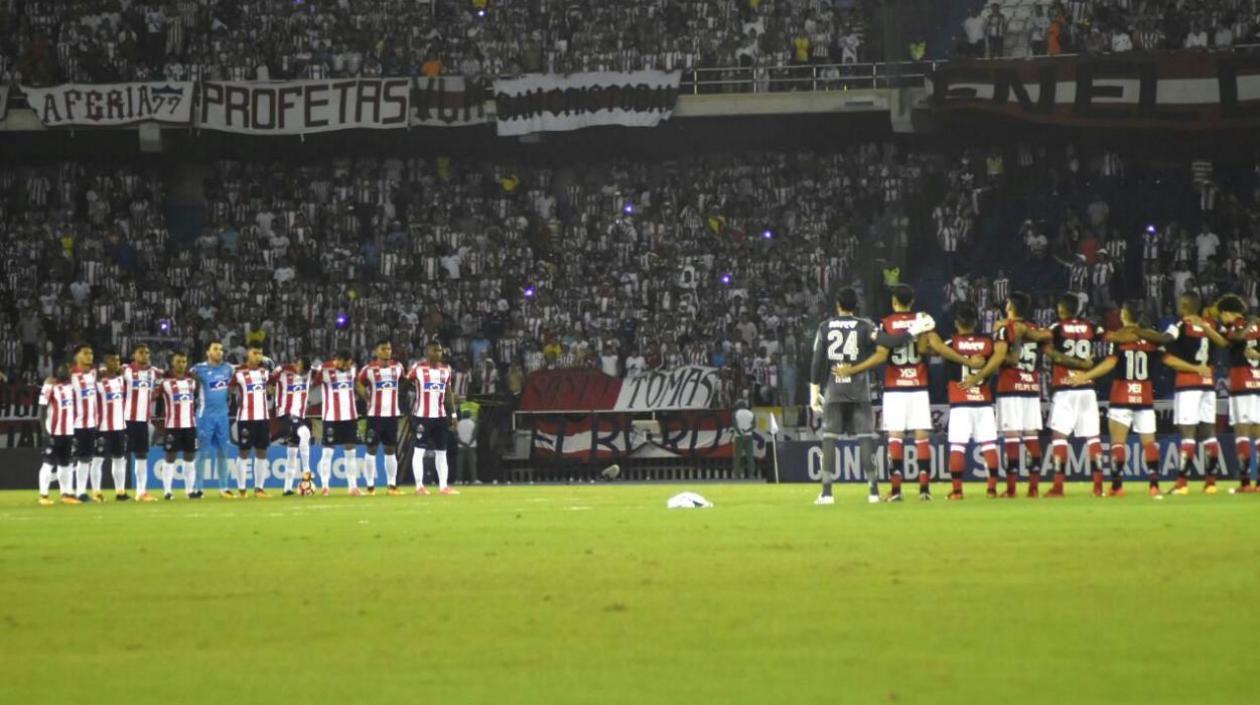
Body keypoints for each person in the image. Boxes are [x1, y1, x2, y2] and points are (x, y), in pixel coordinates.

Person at [810, 287, 923, 504]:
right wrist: (911, 333)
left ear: (837, 305)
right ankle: (872, 491)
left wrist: (814, 392)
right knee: (864, 439)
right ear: (856, 306)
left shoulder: (824, 327)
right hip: (859, 388)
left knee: (829, 438)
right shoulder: (865, 325)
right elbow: (892, 343)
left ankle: (826, 493)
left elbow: (817, 361)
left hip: (834, 388)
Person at [1067, 300, 1187, 497]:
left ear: (1125, 314)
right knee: (1149, 442)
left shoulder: (1120, 339)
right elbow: (1169, 361)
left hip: (1121, 395)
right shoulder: (1151, 339)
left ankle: (1116, 486)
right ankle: (1154, 485)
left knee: (1118, 444)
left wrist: (1084, 376)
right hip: (1144, 396)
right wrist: (1194, 368)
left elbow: (1109, 364)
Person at [921, 303, 1000, 499]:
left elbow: (934, 346)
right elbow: (997, 362)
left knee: (957, 446)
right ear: (976, 322)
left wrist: (928, 328)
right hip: (983, 400)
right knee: (989, 445)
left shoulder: (952, 343)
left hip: (960, 401)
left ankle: (957, 491)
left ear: (957, 323)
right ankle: (991, 490)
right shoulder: (989, 343)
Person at [1161, 292, 1229, 494]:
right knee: (1209, 432)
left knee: (1187, 433)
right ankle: (1211, 483)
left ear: (1184, 306)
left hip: (1188, 384)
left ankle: (1182, 483)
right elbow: (1224, 342)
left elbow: (1165, 344)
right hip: (1208, 384)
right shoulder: (1212, 324)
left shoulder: (1180, 325)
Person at [1042, 294, 1106, 497]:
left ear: (1062, 309)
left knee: (1060, 437)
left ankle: (1058, 486)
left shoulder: (1056, 328)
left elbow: (1050, 350)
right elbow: (1106, 338)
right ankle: (1098, 486)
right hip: (1087, 387)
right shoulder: (1092, 327)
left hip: (1065, 388)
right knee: (1093, 438)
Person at [879, 284, 935, 501]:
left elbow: (882, 354)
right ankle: (924, 490)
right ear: (911, 301)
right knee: (922, 437)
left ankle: (895, 491)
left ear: (894, 301)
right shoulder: (921, 320)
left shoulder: (886, 323)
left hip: (894, 387)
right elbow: (924, 348)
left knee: (895, 438)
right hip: (918, 384)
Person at [1215, 295, 1260, 492]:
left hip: (1241, 383)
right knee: (1258, 433)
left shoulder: (1240, 325)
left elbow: (1237, 337)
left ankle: (1244, 482)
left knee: (1241, 432)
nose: (1222, 320)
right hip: (1257, 384)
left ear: (1228, 312)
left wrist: (1248, 323)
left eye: (1222, 315)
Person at [406, 341, 458, 495]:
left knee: (442, 451)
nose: (439, 353)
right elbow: (404, 384)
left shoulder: (446, 369)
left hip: (441, 417)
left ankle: (443, 486)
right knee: (419, 451)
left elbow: (448, 393)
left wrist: (453, 414)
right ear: (428, 351)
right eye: (435, 350)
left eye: (440, 350)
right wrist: (408, 408)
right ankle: (419, 486)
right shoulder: (418, 368)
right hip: (422, 416)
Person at [356, 339, 405, 495]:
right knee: (371, 449)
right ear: (377, 351)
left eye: (389, 349)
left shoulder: (398, 367)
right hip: (374, 416)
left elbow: (404, 382)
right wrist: (365, 394)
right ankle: (370, 486)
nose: (387, 351)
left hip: (392, 415)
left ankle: (392, 485)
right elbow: (358, 382)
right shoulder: (368, 369)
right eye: (383, 349)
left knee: (390, 449)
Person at [190, 340, 235, 499]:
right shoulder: (198, 369)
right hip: (205, 417)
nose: (219, 352)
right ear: (208, 352)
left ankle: (224, 488)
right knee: (202, 453)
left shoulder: (228, 369)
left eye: (221, 350)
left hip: (223, 416)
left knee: (223, 452)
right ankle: (198, 488)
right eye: (215, 349)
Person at [313, 351, 363, 495]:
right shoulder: (325, 370)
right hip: (331, 417)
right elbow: (312, 384)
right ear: (338, 360)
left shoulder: (352, 369)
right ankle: (324, 486)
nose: (347, 366)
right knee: (328, 452)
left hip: (350, 417)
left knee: (351, 453)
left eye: (349, 364)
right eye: (345, 364)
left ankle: (353, 487)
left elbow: (356, 384)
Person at [122, 344, 163, 502]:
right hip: (126, 419)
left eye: (147, 352)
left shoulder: (154, 373)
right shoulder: (125, 370)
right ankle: (120, 491)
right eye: (141, 352)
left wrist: (154, 393)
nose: (145, 355)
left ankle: (141, 491)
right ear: (134, 354)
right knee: (120, 456)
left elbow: (157, 391)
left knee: (142, 455)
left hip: (144, 420)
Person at [230, 345, 272, 497]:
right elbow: (229, 389)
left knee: (262, 452)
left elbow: (272, 385)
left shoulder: (265, 372)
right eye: (255, 353)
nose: (258, 356)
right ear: (248, 354)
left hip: (263, 418)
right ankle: (242, 489)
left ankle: (259, 488)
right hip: (246, 418)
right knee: (244, 452)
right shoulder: (239, 374)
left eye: (260, 353)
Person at [157, 352, 199, 499]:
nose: (182, 364)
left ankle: (190, 491)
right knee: (170, 457)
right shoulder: (165, 382)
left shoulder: (192, 381)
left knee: (190, 457)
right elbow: (153, 395)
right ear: (172, 363)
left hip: (190, 426)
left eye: (184, 361)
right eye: (178, 361)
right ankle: (167, 491)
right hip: (172, 426)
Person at [37, 364, 79, 505]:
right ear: (56, 371)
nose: (65, 370)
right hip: (53, 432)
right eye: (62, 368)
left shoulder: (72, 387)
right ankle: (44, 495)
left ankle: (65, 494)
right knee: (48, 463)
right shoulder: (50, 386)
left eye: (67, 368)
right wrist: (45, 432)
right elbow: (42, 410)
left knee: (65, 465)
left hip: (67, 432)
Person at [68, 344, 104, 502]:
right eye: (86, 353)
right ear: (76, 356)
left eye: (91, 353)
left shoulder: (94, 373)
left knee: (85, 459)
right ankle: (66, 492)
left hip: (90, 425)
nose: (90, 356)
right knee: (68, 460)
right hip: (74, 425)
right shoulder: (70, 376)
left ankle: (81, 492)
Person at [272, 357, 313, 495]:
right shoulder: (283, 372)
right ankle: (306, 473)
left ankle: (287, 488)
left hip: (299, 416)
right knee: (305, 433)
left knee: (292, 451)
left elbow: (323, 371)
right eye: (298, 364)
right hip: (285, 415)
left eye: (302, 367)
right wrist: (279, 369)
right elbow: (270, 379)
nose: (298, 367)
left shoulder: (309, 374)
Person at [96, 351, 131, 500]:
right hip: (102, 427)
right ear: (105, 362)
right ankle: (97, 493)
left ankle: (120, 492)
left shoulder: (121, 379)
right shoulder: (97, 380)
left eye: (117, 360)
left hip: (119, 427)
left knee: (119, 460)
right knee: (97, 460)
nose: (116, 362)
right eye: (112, 360)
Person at [732, 401, 756, 480]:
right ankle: (751, 474)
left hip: (739, 436)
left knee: (737, 456)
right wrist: (746, 431)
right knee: (749, 456)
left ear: (738, 406)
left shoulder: (735, 413)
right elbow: (754, 425)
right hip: (749, 436)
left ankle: (737, 474)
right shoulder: (751, 413)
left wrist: (741, 433)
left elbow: (735, 425)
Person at [455, 409, 479, 485]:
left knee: (460, 465)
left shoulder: (458, 423)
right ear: (469, 415)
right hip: (471, 446)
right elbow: (475, 434)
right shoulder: (473, 423)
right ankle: (474, 480)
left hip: (461, 446)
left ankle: (459, 480)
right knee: (472, 465)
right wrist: (469, 443)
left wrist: (462, 443)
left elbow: (455, 435)